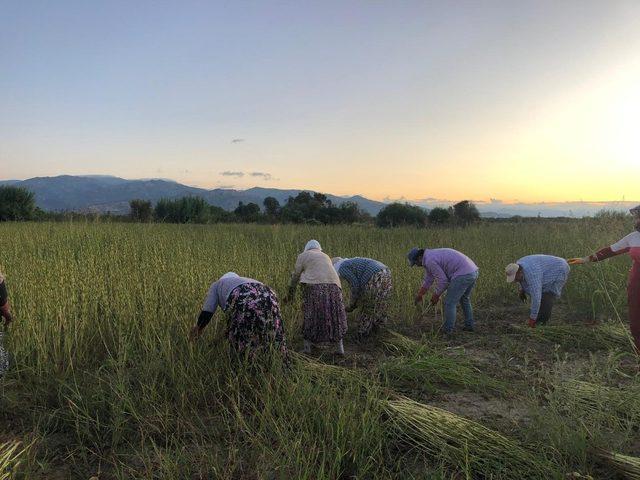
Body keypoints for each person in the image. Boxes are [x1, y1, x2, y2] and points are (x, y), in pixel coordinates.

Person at [568, 205, 640, 351]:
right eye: (637, 216)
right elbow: (609, 251)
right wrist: (586, 259)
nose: (636, 219)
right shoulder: (633, 237)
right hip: (636, 284)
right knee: (636, 323)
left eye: (638, 216)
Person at [189, 272, 288, 358]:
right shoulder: (245, 280)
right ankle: (278, 366)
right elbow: (231, 326)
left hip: (245, 297)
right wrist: (215, 342)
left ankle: (243, 371)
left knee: (241, 342)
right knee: (273, 336)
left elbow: (207, 312)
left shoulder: (217, 285)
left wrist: (197, 331)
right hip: (270, 295)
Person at [285, 240, 347, 355]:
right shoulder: (326, 256)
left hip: (315, 288)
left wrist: (290, 293)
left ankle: (307, 348)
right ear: (319, 248)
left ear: (306, 248)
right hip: (335, 288)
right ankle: (340, 350)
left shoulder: (303, 256)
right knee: (335, 316)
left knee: (310, 315)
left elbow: (296, 276)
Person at [407, 247, 479, 334]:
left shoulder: (429, 260)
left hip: (463, 274)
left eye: (415, 263)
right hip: (472, 271)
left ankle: (447, 330)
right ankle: (469, 326)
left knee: (449, 303)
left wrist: (436, 295)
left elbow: (443, 281)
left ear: (419, 258)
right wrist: (420, 294)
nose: (417, 265)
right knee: (464, 299)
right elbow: (429, 278)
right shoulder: (429, 256)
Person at [332, 257, 392, 338]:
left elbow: (355, 285)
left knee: (368, 305)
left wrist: (352, 304)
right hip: (386, 271)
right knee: (380, 304)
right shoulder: (350, 263)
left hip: (375, 275)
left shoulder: (342, 268)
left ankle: (362, 334)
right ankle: (378, 330)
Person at [505, 255, 570, 327]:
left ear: (519, 272)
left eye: (515, 278)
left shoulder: (532, 274)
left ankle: (541, 323)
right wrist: (521, 290)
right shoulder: (517, 266)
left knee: (547, 295)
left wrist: (532, 319)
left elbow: (536, 297)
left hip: (559, 269)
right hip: (545, 268)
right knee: (539, 293)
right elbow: (520, 279)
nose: (514, 280)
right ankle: (538, 316)